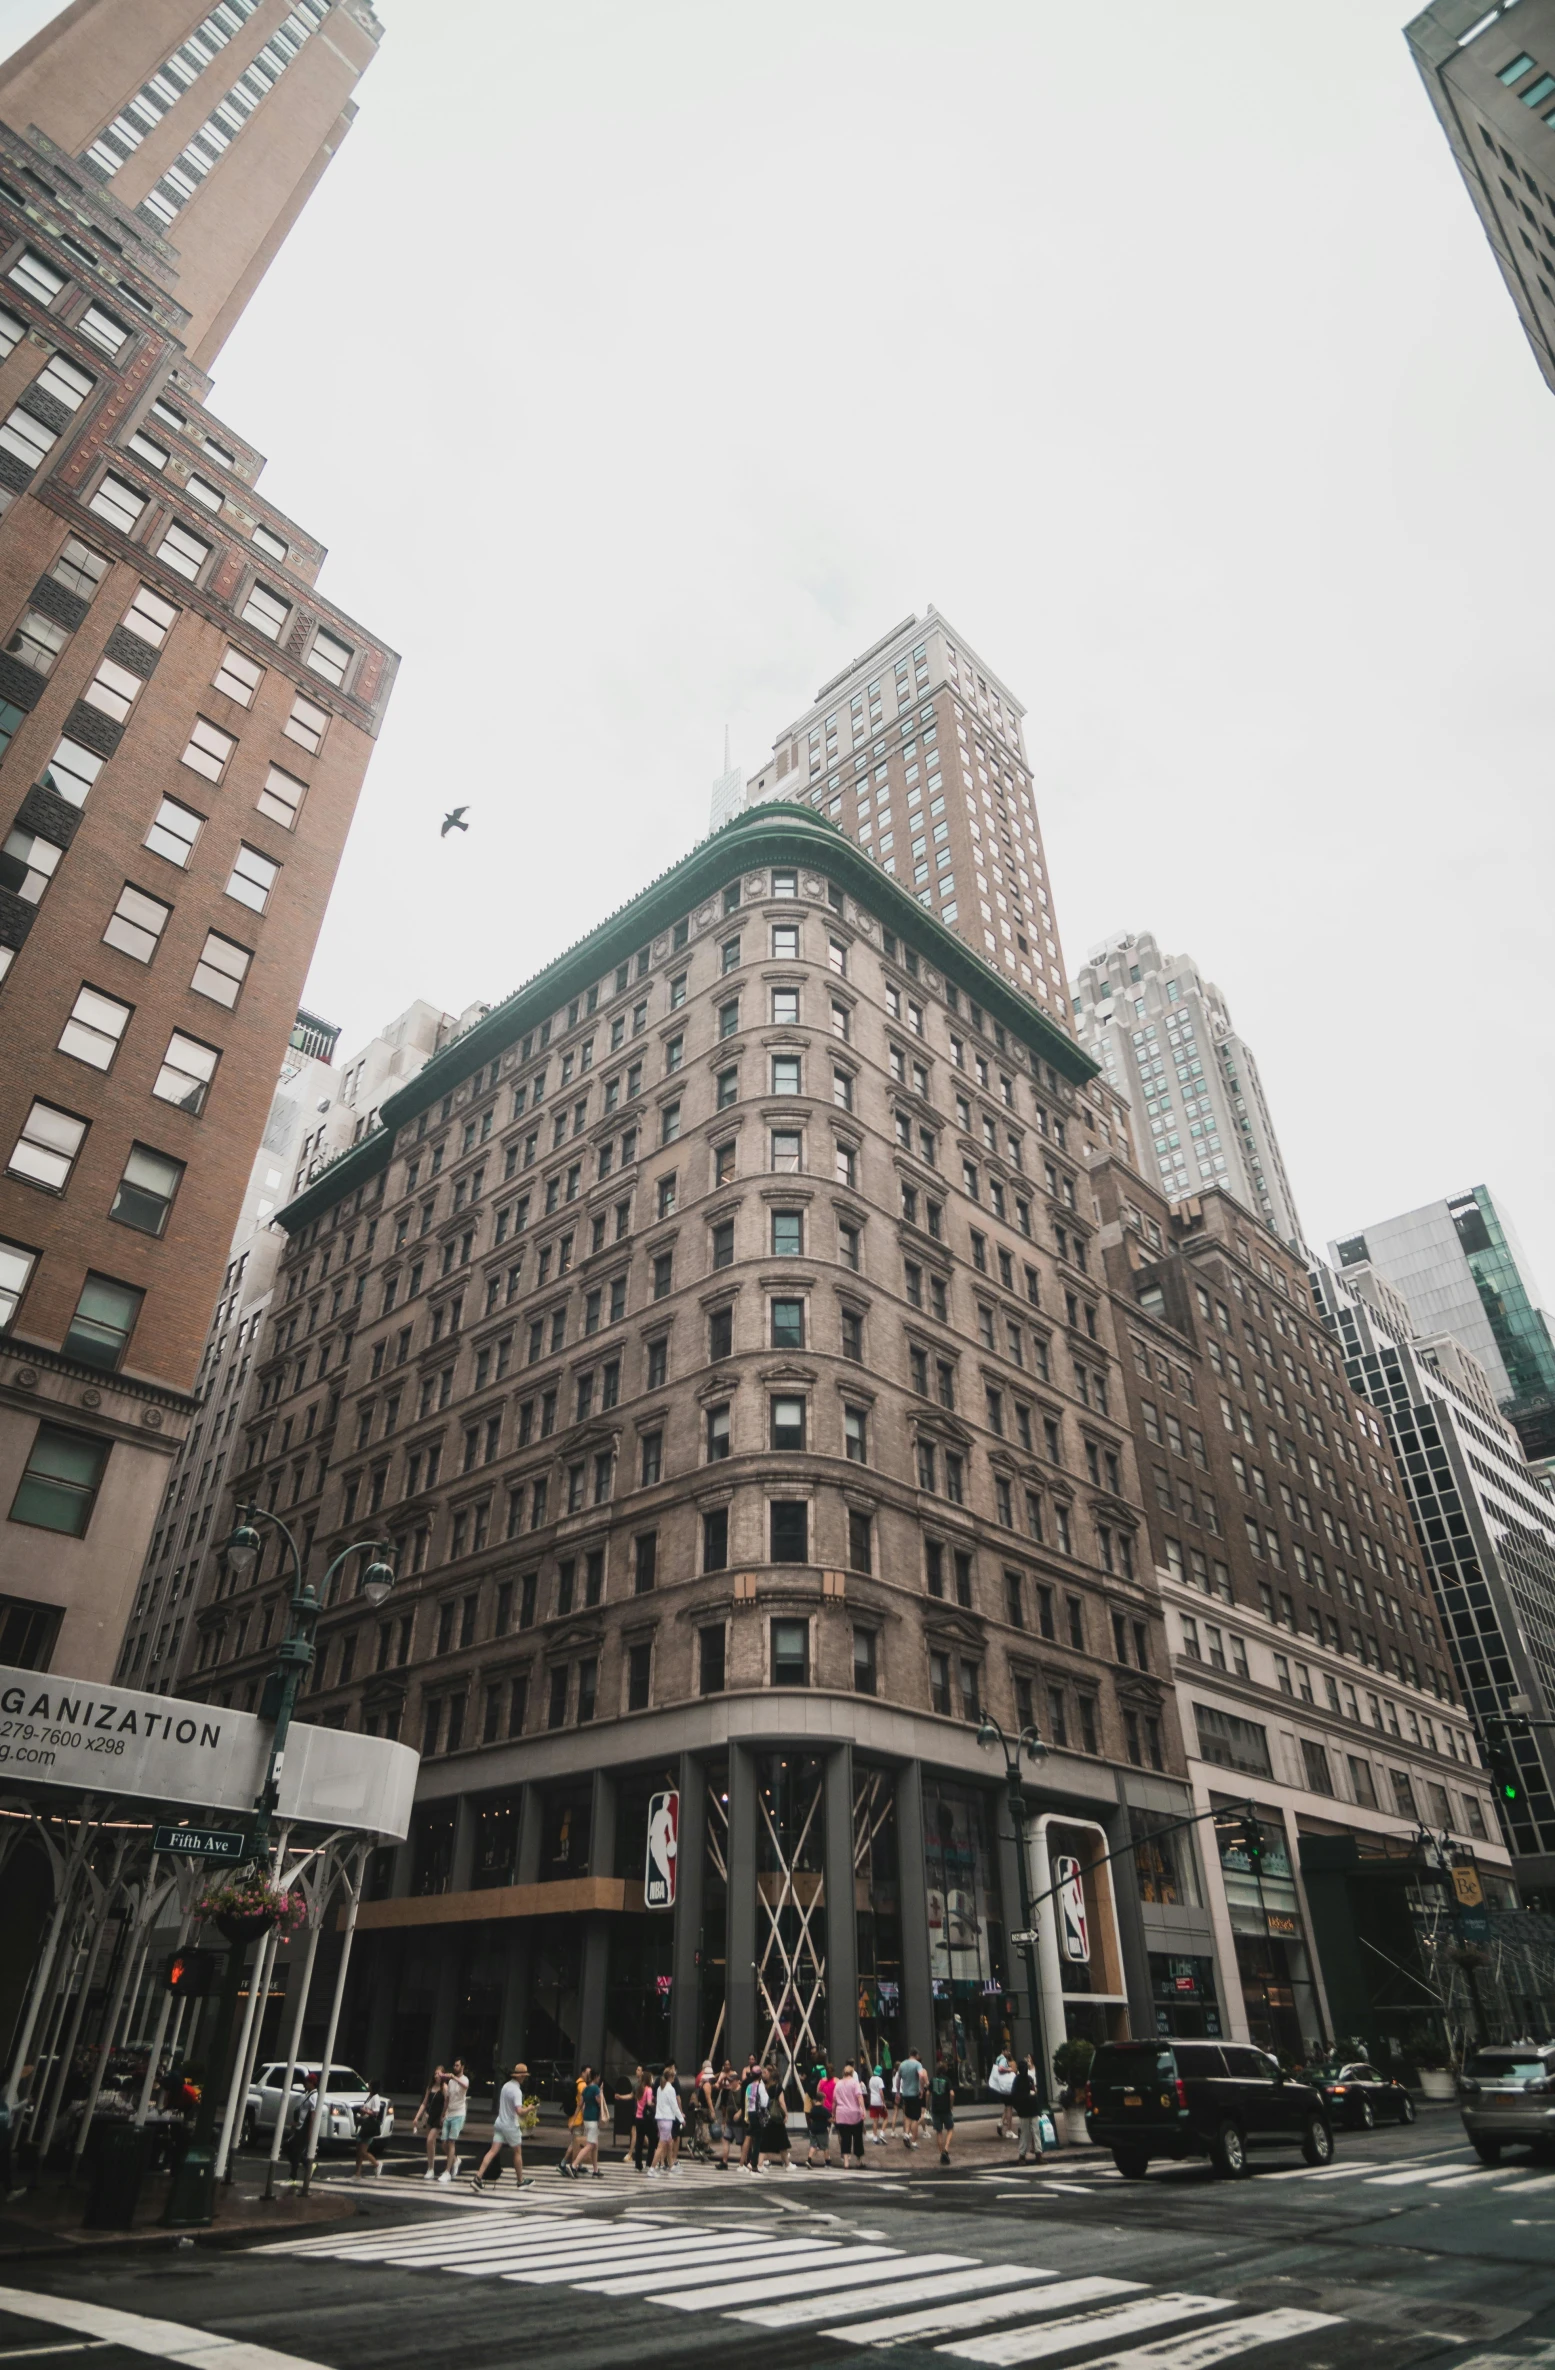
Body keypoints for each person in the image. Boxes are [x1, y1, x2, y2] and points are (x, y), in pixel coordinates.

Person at [468, 2061, 532, 2190]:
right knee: (517, 2152)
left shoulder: (505, 2086)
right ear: (520, 2076)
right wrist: (529, 2108)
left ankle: (478, 2178)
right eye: (524, 2076)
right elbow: (519, 2111)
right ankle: (520, 2181)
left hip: (499, 2122)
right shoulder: (517, 2091)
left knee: (492, 2151)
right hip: (510, 2125)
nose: (525, 2078)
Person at [412, 2064, 447, 2182]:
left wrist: (444, 2116)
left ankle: (431, 2169)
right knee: (431, 2144)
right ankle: (431, 2167)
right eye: (436, 2073)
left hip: (439, 2117)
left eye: (440, 2073)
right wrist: (417, 2117)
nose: (437, 2075)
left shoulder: (444, 2088)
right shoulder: (430, 2087)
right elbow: (424, 2103)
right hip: (430, 2117)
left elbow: (448, 2103)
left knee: (430, 2140)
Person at [649, 2060, 682, 2176]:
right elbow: (674, 2106)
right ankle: (652, 2168)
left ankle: (671, 2165)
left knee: (669, 2141)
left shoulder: (660, 2088)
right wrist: (682, 2119)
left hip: (660, 2118)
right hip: (667, 2119)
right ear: (671, 2077)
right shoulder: (671, 2089)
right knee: (661, 2144)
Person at [439, 2057, 469, 2183]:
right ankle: (455, 2160)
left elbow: (465, 2085)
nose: (455, 2067)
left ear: (462, 2067)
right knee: (444, 2143)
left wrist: (453, 2077)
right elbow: (447, 2099)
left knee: (451, 2142)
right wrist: (443, 2114)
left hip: (458, 2114)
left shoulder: (464, 2079)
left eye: (457, 2065)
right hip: (449, 2114)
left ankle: (447, 2171)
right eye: (454, 2065)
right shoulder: (450, 2083)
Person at [559, 2064, 592, 2179]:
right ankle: (563, 2164)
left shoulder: (577, 2082)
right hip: (578, 2119)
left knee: (576, 2143)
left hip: (574, 2117)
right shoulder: (582, 2086)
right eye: (587, 2073)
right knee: (575, 2144)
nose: (589, 2075)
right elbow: (582, 2104)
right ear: (582, 2073)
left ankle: (578, 2165)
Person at [833, 2061, 865, 2169]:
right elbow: (859, 2097)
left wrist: (833, 2114)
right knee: (857, 2138)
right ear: (852, 2073)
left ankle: (846, 2162)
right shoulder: (855, 2083)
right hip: (854, 2114)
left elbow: (834, 2101)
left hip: (841, 2114)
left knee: (845, 2138)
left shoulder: (838, 2084)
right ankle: (859, 2161)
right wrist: (863, 2110)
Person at [1011, 2053, 1043, 2164]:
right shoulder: (1028, 2079)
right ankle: (1037, 2154)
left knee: (1026, 2133)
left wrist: (1018, 2107)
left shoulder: (1018, 2080)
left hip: (1025, 2110)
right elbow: (1033, 2091)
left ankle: (1023, 2156)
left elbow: (1014, 2095)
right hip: (1030, 2108)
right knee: (1035, 2132)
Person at [354, 2083, 390, 2179]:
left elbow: (375, 2113)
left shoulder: (376, 2098)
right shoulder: (370, 2096)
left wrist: (365, 2111)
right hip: (364, 2125)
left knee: (362, 2151)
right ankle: (357, 2172)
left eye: (369, 2085)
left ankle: (376, 2164)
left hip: (369, 2126)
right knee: (358, 2150)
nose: (367, 2086)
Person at [712, 2059, 741, 2169]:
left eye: (732, 2081)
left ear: (737, 2081)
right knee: (726, 2139)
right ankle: (724, 2162)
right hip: (730, 2120)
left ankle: (744, 2162)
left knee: (742, 2142)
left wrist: (739, 2113)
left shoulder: (740, 2091)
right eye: (729, 2081)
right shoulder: (729, 2091)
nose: (730, 2082)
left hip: (738, 2121)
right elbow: (717, 2085)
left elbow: (744, 2105)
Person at [575, 2068, 603, 2178]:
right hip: (593, 2119)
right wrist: (601, 2092)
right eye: (599, 2076)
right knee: (590, 2145)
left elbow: (580, 2104)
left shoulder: (585, 2089)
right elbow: (600, 2103)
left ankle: (595, 2170)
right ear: (596, 2077)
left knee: (594, 2145)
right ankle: (574, 2165)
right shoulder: (595, 2089)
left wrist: (574, 2119)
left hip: (586, 2118)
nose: (599, 2078)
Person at [742, 2062, 769, 2174]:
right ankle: (754, 2165)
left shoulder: (749, 2086)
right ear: (760, 2075)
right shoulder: (761, 2086)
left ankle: (749, 2162)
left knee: (751, 2138)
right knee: (757, 2141)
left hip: (750, 2112)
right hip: (758, 2114)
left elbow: (747, 2101)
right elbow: (764, 2102)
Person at [929, 2052, 955, 2166]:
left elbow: (927, 2093)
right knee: (950, 2128)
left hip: (935, 2108)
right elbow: (952, 2094)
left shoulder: (932, 2080)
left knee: (938, 2131)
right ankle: (946, 2148)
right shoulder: (947, 2080)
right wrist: (951, 2105)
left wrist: (927, 2105)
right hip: (945, 2108)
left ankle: (941, 2153)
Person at [897, 2047, 926, 2148]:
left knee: (908, 2116)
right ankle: (913, 2141)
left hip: (905, 2094)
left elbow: (898, 2078)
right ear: (916, 2055)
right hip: (914, 2094)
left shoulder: (902, 2064)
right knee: (915, 2118)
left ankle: (906, 2134)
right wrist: (921, 2089)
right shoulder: (918, 2064)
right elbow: (921, 2076)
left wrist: (897, 2092)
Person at [804, 2061, 831, 2168]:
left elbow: (810, 2118)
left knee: (813, 2145)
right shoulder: (824, 2110)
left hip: (813, 2130)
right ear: (823, 2099)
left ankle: (809, 2160)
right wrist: (833, 2120)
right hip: (822, 2130)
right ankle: (827, 2161)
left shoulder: (813, 2109)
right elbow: (829, 2119)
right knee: (825, 2146)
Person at [631, 2067, 656, 2171]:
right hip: (647, 2118)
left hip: (638, 2117)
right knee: (652, 2140)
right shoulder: (649, 2089)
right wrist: (654, 2104)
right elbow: (649, 2103)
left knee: (639, 2141)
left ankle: (638, 2164)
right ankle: (649, 2163)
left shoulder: (639, 2089)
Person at [990, 2048, 1017, 2141]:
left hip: (1002, 2086)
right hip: (1006, 2087)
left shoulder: (998, 2058)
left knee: (1007, 2106)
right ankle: (1009, 2130)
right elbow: (1001, 2069)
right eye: (1007, 2051)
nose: (1009, 2052)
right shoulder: (1003, 2059)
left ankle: (1001, 2123)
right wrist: (1008, 2069)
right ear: (1003, 2051)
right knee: (1009, 2107)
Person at [868, 2063, 888, 2144]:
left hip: (872, 2102)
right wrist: (883, 2102)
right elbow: (881, 2092)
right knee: (886, 2117)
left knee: (875, 2120)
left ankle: (875, 2138)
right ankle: (882, 2133)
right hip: (879, 2102)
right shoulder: (880, 2080)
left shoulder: (871, 2079)